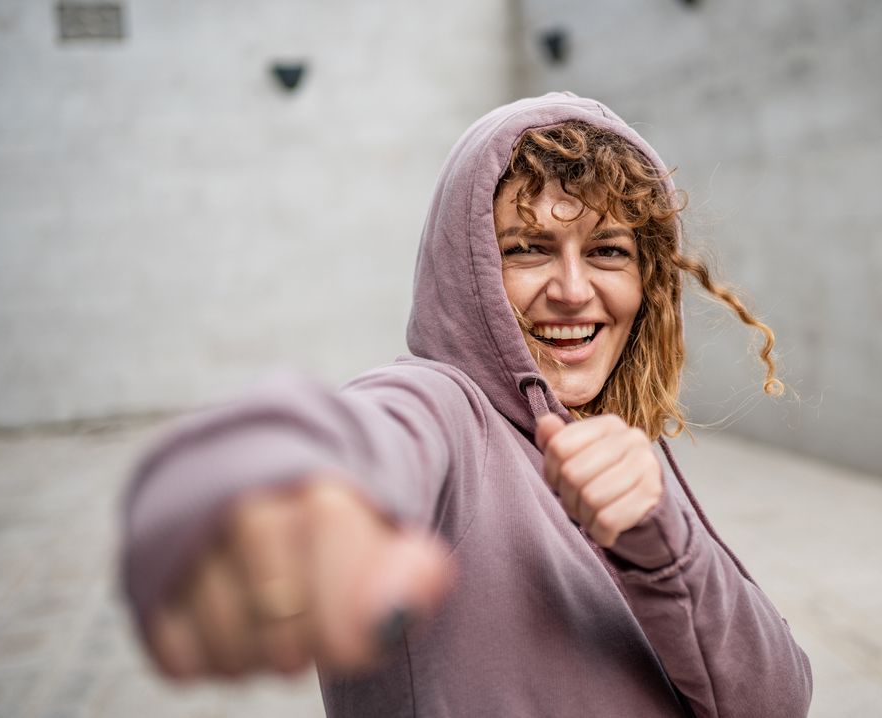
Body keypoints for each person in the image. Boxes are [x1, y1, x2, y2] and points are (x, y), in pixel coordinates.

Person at [122, 92, 813, 717]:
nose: (573, 289)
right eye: (527, 249)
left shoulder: (624, 441)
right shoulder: (446, 409)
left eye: (606, 250)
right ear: (470, 270)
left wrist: (663, 544)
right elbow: (350, 440)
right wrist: (254, 502)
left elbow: (776, 700)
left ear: (648, 277)